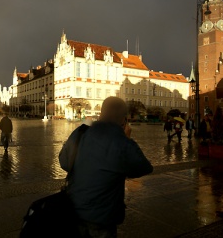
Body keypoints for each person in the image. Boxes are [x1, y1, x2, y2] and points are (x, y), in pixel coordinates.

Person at [59, 97, 153, 237]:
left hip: (72, 211)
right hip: (102, 217)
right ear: (123, 120)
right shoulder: (121, 142)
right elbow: (143, 167)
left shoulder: (81, 131)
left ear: (101, 113)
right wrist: (127, 139)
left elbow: (64, 162)